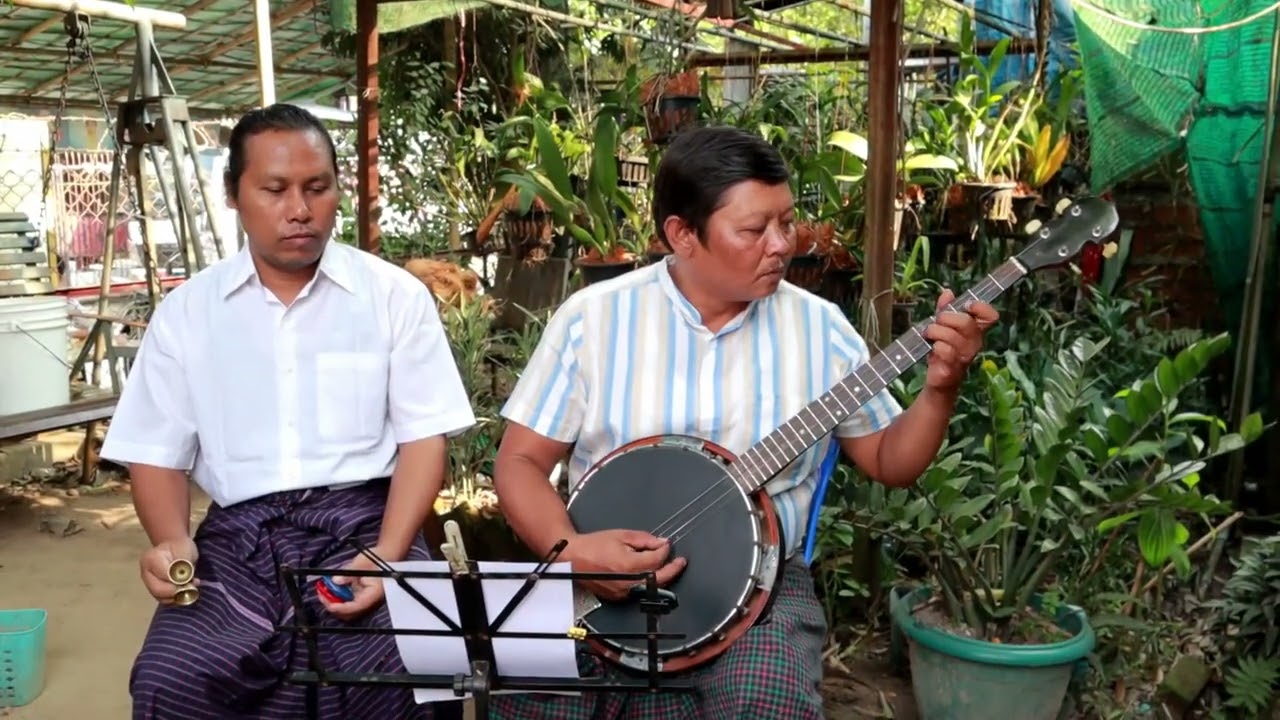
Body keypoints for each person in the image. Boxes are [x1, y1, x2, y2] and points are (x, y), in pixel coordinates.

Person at [488, 125, 999, 720]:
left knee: (764, 703)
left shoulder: (821, 331)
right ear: (682, 234)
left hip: (764, 590)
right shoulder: (594, 320)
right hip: (595, 579)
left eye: (788, 222)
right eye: (755, 230)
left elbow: (891, 461)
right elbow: (519, 462)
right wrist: (572, 552)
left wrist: (942, 387)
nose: (782, 245)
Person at [100, 103, 476, 720]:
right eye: (274, 190)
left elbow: (423, 439)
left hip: (370, 522)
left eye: (317, 188)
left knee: (411, 660)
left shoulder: (393, 297)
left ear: (337, 189)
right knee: (174, 676)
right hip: (239, 539)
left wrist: (389, 551)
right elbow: (156, 451)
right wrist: (171, 543)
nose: (299, 209)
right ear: (234, 195)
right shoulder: (188, 314)